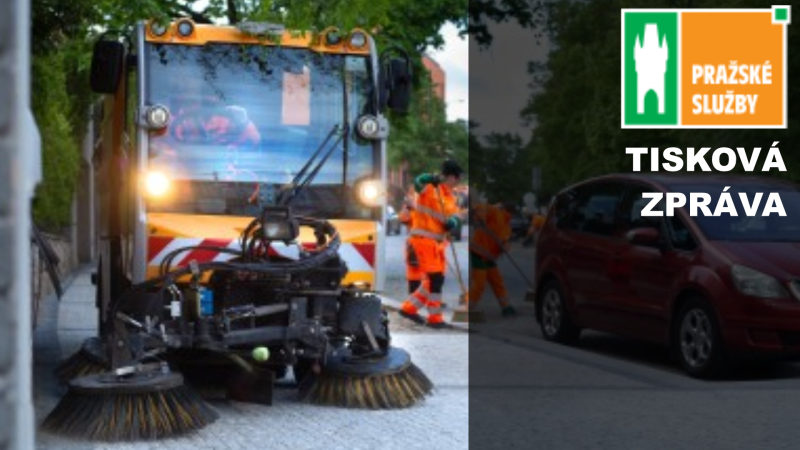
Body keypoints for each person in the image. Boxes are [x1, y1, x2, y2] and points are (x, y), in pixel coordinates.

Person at [399, 160, 463, 328]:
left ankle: (410, 309)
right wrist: (428, 177)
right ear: (451, 177)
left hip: (438, 244)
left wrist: (454, 222)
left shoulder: (450, 197)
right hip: (424, 240)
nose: (457, 183)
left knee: (434, 280)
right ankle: (434, 319)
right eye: (456, 179)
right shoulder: (430, 188)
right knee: (435, 279)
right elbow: (418, 182)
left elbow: (454, 215)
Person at [469, 196, 517, 317]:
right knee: (479, 284)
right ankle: (467, 308)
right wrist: (481, 219)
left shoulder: (506, 225)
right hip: (479, 252)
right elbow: (480, 207)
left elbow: (504, 239)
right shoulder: (495, 211)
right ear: (510, 211)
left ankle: (505, 306)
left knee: (497, 281)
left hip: (490, 256)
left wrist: (504, 246)